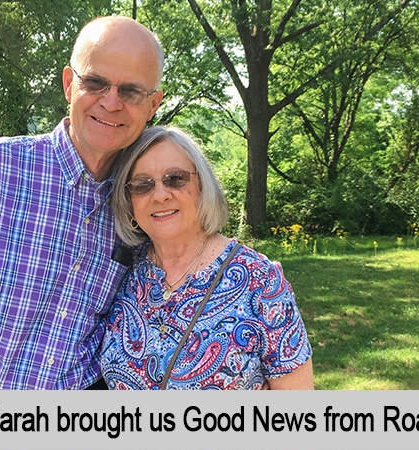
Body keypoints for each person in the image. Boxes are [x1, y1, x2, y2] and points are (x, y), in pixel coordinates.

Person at [0, 16, 164, 390]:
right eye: (95, 82)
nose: (111, 102)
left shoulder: (148, 199)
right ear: (70, 84)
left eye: (132, 91)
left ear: (153, 104)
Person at [100, 126, 314, 389]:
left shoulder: (261, 280)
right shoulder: (125, 270)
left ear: (202, 185)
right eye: (142, 185)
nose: (160, 194)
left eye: (175, 178)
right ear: (129, 201)